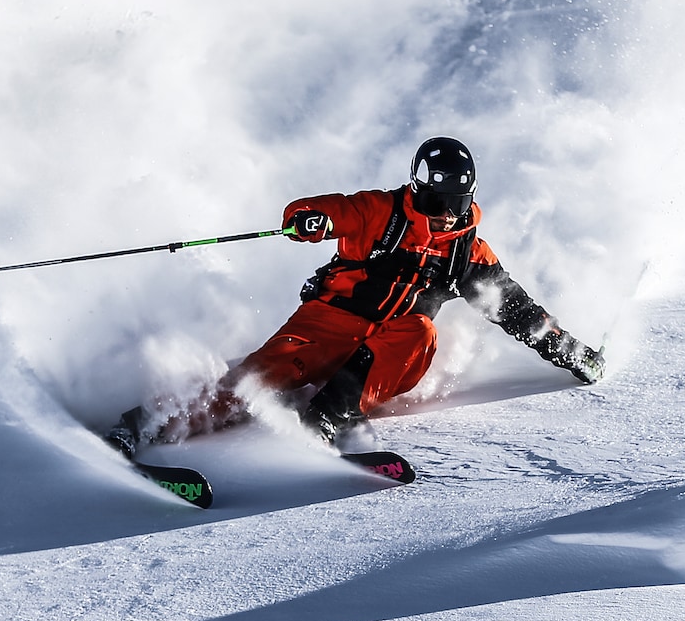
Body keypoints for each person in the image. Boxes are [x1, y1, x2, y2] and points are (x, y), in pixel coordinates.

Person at [103, 136, 604, 457]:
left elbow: (517, 310)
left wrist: (572, 351)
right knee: (260, 378)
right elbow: (325, 211)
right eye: (435, 201)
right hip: (331, 321)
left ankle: (328, 415)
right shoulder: (379, 212)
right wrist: (308, 220)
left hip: (391, 347)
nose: (445, 214)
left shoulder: (469, 254)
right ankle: (140, 425)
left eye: (455, 203)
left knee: (421, 330)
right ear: (417, 190)